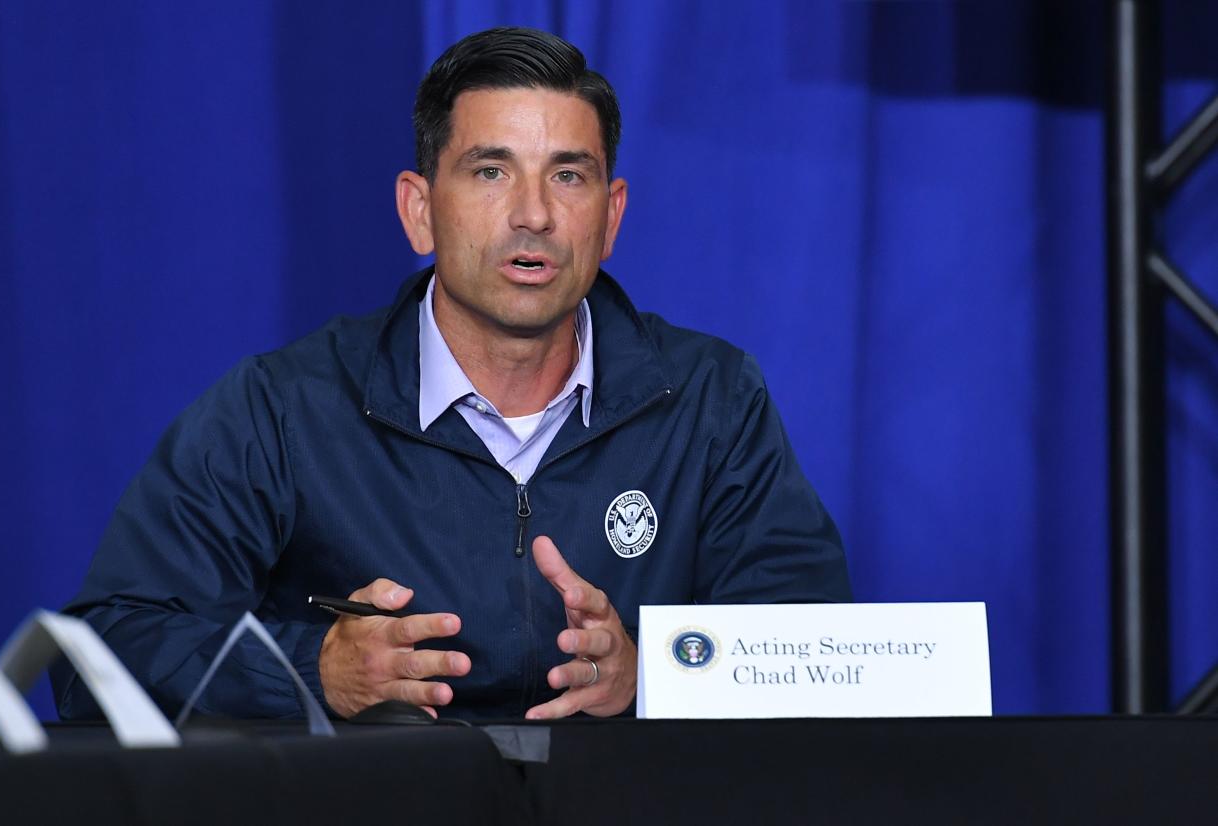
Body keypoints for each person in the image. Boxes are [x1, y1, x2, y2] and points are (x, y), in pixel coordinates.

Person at [53, 26, 851, 722]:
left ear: (610, 218)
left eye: (567, 175)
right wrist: (316, 670)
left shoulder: (711, 399)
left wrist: (658, 675)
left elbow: (819, 656)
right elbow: (99, 654)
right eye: (491, 171)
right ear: (418, 208)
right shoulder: (285, 409)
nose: (533, 213)